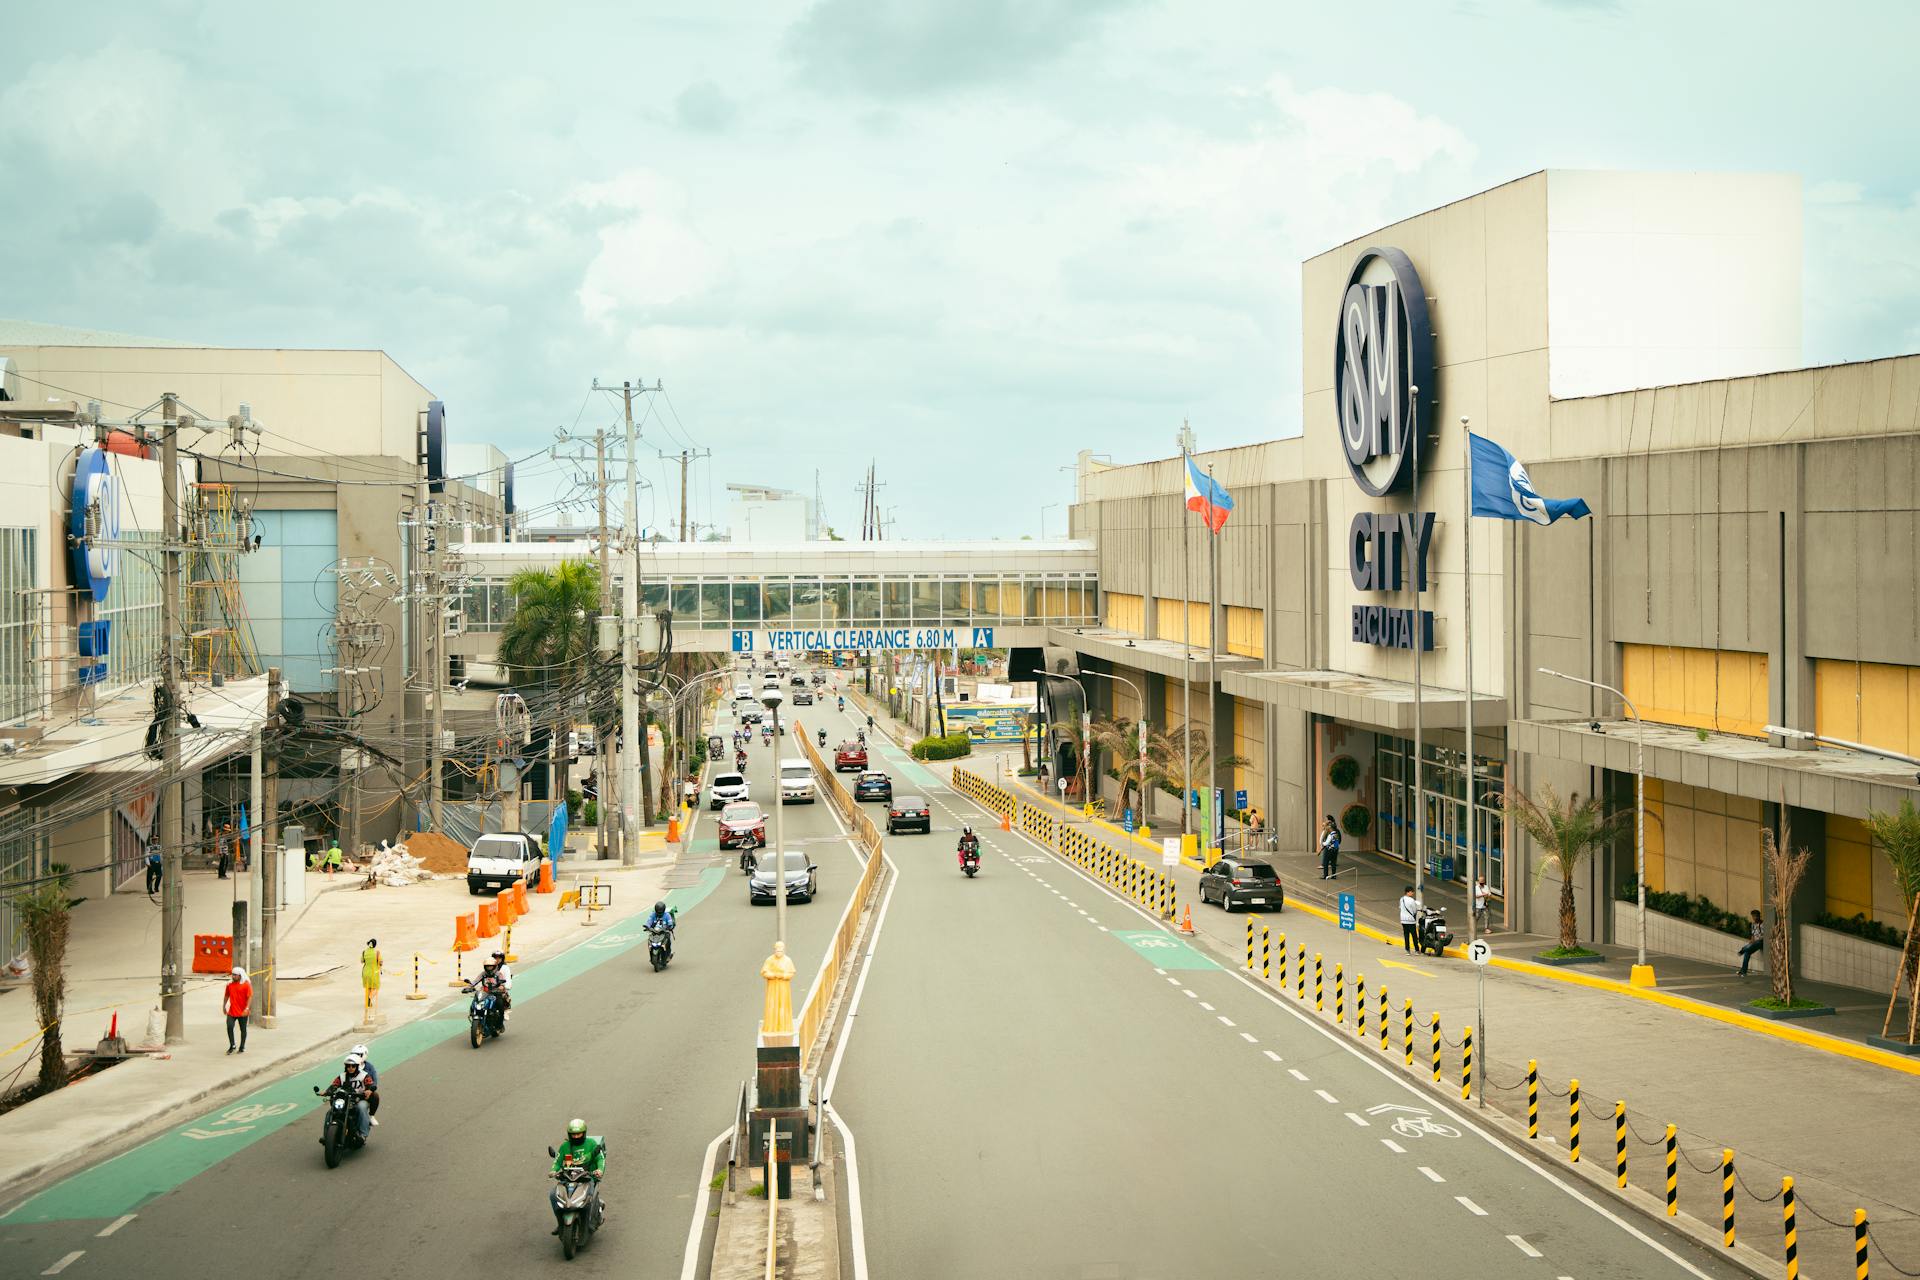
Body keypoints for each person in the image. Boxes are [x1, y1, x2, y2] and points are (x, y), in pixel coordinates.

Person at [551, 1118, 606, 1234]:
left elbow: (600, 1159)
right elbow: (557, 1161)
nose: (576, 1137)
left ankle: (591, 1222)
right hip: (567, 1177)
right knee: (553, 1195)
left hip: (587, 1177)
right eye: (573, 1135)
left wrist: (599, 1170)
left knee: (589, 1198)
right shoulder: (565, 1146)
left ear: (584, 1133)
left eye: (578, 1134)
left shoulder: (591, 1144)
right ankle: (560, 1223)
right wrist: (553, 1171)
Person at [324, 1056, 375, 1140]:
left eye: (353, 1066)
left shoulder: (364, 1075)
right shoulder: (342, 1076)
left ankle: (363, 1134)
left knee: (361, 1107)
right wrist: (326, 1092)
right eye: (348, 1066)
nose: (350, 1068)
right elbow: (334, 1085)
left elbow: (370, 1084)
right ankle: (327, 1136)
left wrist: (368, 1090)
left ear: (357, 1066)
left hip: (359, 1099)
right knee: (330, 1112)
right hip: (346, 1100)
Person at [223, 965, 252, 1054]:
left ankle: (242, 1046)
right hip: (232, 1011)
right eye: (232, 975)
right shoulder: (229, 984)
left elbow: (249, 997)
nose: (233, 976)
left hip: (243, 1012)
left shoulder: (246, 985)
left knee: (243, 1029)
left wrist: (247, 1008)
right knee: (229, 1026)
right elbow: (226, 995)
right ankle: (232, 1045)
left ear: (240, 975)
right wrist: (224, 1006)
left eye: (235, 975)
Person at [350, 1043, 381, 1121]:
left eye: (358, 1054)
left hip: (363, 1094)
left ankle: (371, 1116)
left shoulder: (369, 1067)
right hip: (350, 1093)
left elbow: (374, 1081)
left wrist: (370, 1090)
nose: (355, 1056)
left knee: (375, 1096)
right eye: (353, 1054)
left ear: (364, 1055)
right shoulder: (349, 1066)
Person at [1736, 909, 1765, 976]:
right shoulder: (1753, 924)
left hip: (1760, 942)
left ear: (1759, 916)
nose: (1755, 918)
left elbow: (1764, 935)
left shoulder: (1763, 924)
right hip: (1754, 942)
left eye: (1756, 916)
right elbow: (1752, 934)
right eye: (1753, 916)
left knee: (1747, 948)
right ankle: (1743, 971)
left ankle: (1742, 950)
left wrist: (1756, 940)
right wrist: (1752, 940)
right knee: (1747, 953)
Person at [1399, 886, 1420, 953]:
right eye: (1411, 892)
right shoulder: (1411, 900)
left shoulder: (1401, 899)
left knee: (1406, 935)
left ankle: (1407, 950)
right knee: (1414, 935)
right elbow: (1414, 910)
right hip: (1410, 920)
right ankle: (1416, 950)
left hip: (1403, 920)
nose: (1413, 893)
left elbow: (1400, 907)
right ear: (1408, 892)